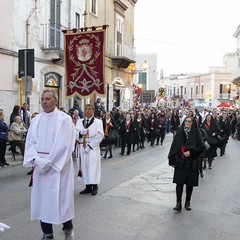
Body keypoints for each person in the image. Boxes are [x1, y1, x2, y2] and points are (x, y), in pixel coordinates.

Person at [23, 89, 75, 240]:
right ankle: (47, 234)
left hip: (59, 168)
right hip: (40, 167)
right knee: (43, 202)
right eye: (42, 99)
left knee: (61, 201)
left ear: (56, 101)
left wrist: (50, 162)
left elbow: (65, 145)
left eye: (48, 98)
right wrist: (37, 160)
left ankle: (68, 228)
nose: (44, 102)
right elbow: (30, 142)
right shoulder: (36, 120)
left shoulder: (64, 119)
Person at [168, 116, 205, 211]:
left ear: (193, 123)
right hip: (181, 161)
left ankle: (187, 202)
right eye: (186, 121)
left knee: (189, 184)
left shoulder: (196, 133)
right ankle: (178, 203)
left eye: (189, 121)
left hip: (192, 162)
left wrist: (192, 152)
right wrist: (172, 160)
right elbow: (174, 146)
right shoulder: (180, 132)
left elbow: (202, 147)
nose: (187, 123)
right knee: (179, 183)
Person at [76, 104, 104, 196]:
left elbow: (100, 135)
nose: (87, 111)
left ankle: (94, 185)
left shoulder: (98, 122)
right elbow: (74, 132)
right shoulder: (80, 121)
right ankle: (87, 186)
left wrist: (90, 146)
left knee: (93, 166)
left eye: (89, 109)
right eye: (86, 109)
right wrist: (80, 133)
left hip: (92, 148)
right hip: (82, 147)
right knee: (84, 167)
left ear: (93, 111)